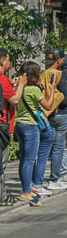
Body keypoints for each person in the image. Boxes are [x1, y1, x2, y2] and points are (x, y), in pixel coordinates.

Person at [11, 61, 55, 205]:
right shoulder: (33, 90)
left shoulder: (20, 88)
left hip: (20, 124)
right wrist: (52, 89)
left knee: (23, 159)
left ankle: (26, 190)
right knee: (30, 160)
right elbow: (48, 105)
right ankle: (26, 192)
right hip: (31, 126)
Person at [42, 48, 67, 190]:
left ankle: (37, 182)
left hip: (47, 114)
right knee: (59, 147)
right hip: (61, 113)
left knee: (45, 148)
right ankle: (54, 179)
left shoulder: (43, 74)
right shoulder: (58, 75)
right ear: (60, 60)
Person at [0, 50, 15, 205]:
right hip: (2, 125)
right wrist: (22, 85)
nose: (10, 64)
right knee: (1, 163)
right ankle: (2, 196)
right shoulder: (3, 79)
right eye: (9, 60)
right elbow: (14, 100)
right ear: (2, 61)